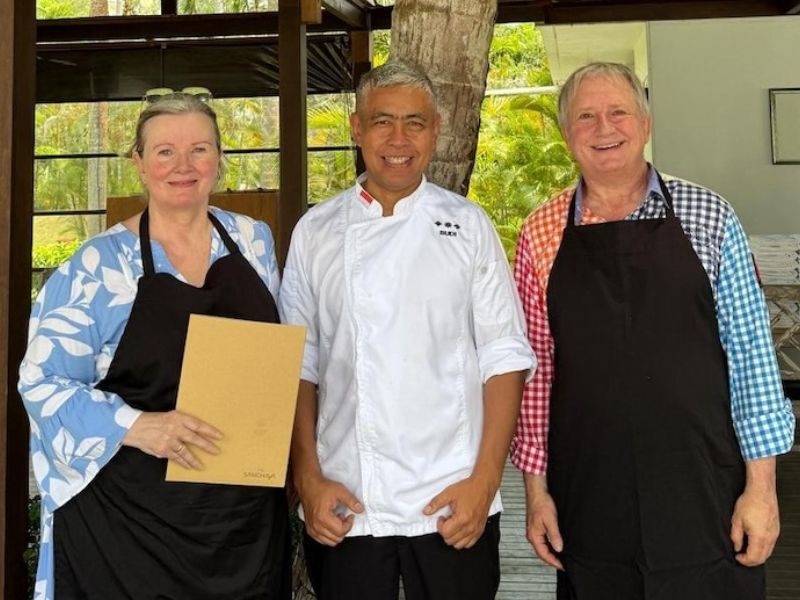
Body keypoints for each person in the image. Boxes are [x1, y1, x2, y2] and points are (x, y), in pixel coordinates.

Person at [511, 61, 796, 600]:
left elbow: (752, 358)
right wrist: (537, 490)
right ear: (566, 133)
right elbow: (538, 370)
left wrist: (761, 489)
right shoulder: (541, 231)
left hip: (706, 481)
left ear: (646, 123)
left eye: (619, 112)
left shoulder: (709, 215)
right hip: (588, 490)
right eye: (586, 117)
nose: (604, 128)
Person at [279, 61, 535, 600]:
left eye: (415, 123)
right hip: (348, 499)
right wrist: (309, 479)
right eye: (382, 122)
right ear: (356, 129)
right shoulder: (315, 231)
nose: (399, 139)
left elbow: (504, 357)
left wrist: (484, 481)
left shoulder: (468, 225)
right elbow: (296, 364)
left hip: (452, 498)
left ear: (436, 130)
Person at [19, 93, 290, 599]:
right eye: (165, 152)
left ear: (219, 158)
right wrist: (137, 424)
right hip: (130, 521)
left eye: (199, 149)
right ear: (139, 164)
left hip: (239, 516)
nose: (183, 166)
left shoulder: (253, 240)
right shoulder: (97, 266)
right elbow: (40, 381)